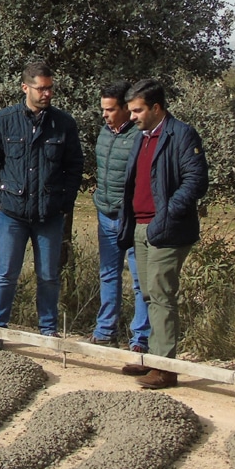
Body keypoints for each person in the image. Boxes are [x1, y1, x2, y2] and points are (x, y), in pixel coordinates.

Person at [0, 60, 84, 347]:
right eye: (41, 88)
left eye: (50, 88)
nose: (47, 94)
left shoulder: (63, 124)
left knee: (49, 275)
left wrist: (65, 202)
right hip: (12, 213)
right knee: (6, 274)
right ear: (25, 87)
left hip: (49, 214)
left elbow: (75, 166)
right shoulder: (3, 120)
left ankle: (48, 331)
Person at [116, 78, 208, 389]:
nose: (132, 117)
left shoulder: (181, 135)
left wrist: (166, 215)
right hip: (141, 227)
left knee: (161, 295)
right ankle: (152, 360)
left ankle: (165, 368)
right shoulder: (141, 137)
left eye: (138, 110)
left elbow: (196, 181)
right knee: (148, 294)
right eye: (130, 111)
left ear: (157, 108)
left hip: (167, 229)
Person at [91, 80, 150, 352]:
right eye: (103, 109)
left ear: (126, 109)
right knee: (108, 275)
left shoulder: (140, 136)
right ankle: (105, 331)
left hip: (134, 220)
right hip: (106, 215)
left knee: (140, 282)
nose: (105, 114)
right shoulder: (104, 133)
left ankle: (140, 339)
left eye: (111, 109)